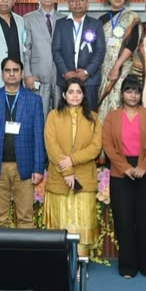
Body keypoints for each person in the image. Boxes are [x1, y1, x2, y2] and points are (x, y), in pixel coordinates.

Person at [102, 76, 146, 279]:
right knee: (124, 220)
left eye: (136, 91)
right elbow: (107, 145)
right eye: (129, 91)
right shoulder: (112, 116)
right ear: (122, 93)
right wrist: (125, 168)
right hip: (121, 173)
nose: (133, 95)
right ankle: (128, 267)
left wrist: (143, 167)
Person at [0, 58, 45, 229]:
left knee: (26, 220)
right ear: (2, 74)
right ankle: (1, 249)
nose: (12, 74)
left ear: (22, 73)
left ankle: (24, 248)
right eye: (7, 70)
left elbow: (38, 137)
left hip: (25, 167)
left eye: (15, 70)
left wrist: (38, 168)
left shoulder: (34, 100)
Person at [44, 78, 103, 256]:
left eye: (78, 92)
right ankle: (61, 262)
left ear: (84, 95)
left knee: (83, 222)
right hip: (59, 177)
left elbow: (95, 148)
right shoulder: (53, 116)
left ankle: (80, 262)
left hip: (84, 178)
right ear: (64, 95)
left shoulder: (93, 118)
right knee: (61, 223)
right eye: (71, 92)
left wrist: (72, 160)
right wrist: (67, 171)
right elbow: (51, 146)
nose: (75, 95)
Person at [51, 0, 106, 110]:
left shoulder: (96, 24)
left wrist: (86, 72)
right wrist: (65, 72)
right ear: (69, 4)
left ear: (87, 4)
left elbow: (100, 51)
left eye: (81, 0)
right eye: (73, 0)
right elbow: (56, 50)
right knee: (66, 115)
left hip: (89, 80)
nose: (77, 3)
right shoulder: (60, 24)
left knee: (89, 115)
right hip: (66, 80)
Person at [97, 0, 141, 122]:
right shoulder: (101, 19)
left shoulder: (132, 18)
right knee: (103, 102)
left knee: (119, 100)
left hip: (123, 68)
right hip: (104, 68)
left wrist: (116, 66)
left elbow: (132, 45)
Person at [23, 0, 66, 118]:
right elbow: (26, 49)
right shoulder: (27, 19)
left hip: (60, 75)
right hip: (37, 75)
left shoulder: (65, 19)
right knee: (39, 114)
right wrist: (27, 74)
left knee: (60, 115)